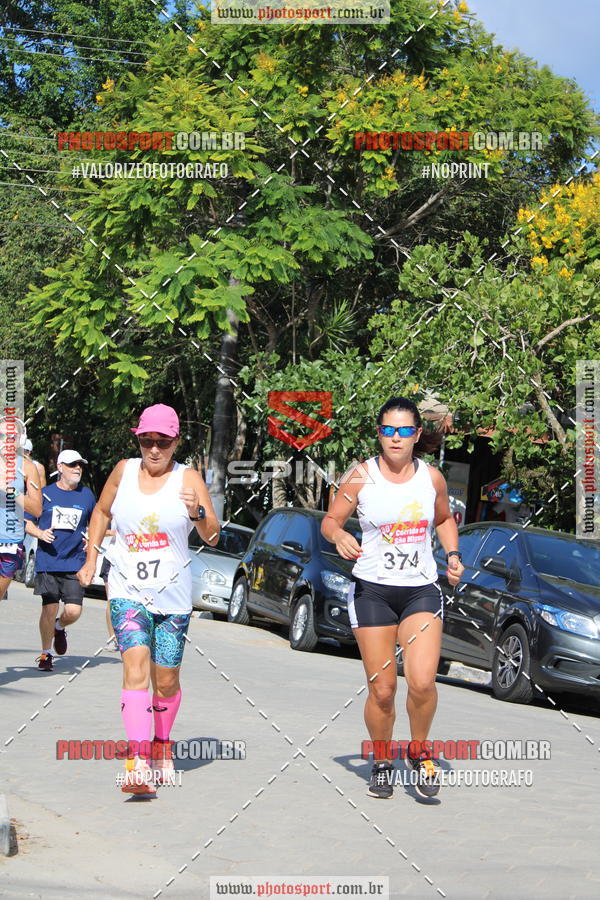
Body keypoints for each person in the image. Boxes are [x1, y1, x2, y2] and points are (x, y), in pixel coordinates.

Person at [321, 397, 464, 800]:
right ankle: (382, 760)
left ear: (417, 435)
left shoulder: (431, 478)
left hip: (420, 590)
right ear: (379, 433)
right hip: (373, 592)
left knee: (421, 683)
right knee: (383, 689)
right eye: (388, 430)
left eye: (404, 431)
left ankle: (418, 752)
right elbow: (330, 521)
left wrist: (452, 555)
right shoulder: (361, 476)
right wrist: (341, 535)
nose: (396, 438)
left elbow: (442, 518)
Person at [77, 404, 219, 796]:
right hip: (126, 589)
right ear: (137, 437)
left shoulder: (187, 477)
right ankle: (138, 762)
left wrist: (198, 511)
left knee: (166, 679)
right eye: (146, 440)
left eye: (163, 442)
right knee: (135, 665)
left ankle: (161, 745)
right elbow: (101, 513)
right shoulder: (123, 472)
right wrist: (91, 559)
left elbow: (213, 536)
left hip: (172, 597)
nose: (154, 449)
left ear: (176, 442)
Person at [25, 450, 95, 671]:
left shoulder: (87, 495)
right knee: (49, 607)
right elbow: (26, 521)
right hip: (49, 560)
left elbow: (96, 524)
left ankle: (59, 626)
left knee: (73, 611)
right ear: (60, 466)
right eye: (73, 464)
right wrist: (40, 533)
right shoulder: (44, 494)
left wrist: (91, 539)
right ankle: (46, 654)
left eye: (80, 465)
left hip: (75, 562)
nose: (77, 468)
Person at [0, 416, 42, 601]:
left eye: (11, 437)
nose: (5, 441)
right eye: (1, 436)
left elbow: (36, 509)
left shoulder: (27, 468)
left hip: (9, 541)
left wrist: (9, 489)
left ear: (20, 440)